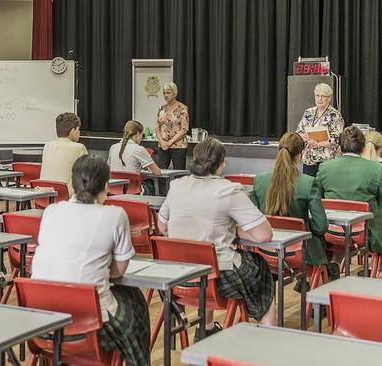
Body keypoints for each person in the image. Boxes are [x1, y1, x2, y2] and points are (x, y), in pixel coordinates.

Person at [32, 155, 149, 365]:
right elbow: (120, 270)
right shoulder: (115, 215)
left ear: (73, 183)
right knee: (136, 300)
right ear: (106, 185)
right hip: (90, 323)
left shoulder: (51, 211)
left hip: (43, 322)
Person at [157, 138, 276, 335]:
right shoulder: (228, 190)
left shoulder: (177, 186)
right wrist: (235, 230)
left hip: (178, 276)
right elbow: (264, 235)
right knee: (261, 268)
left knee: (206, 258)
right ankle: (270, 336)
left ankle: (207, 328)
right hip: (218, 278)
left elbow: (162, 226)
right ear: (222, 163)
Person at [251, 132, 332, 286]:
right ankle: (317, 301)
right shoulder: (307, 183)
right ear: (300, 155)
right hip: (300, 253)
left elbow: (254, 218)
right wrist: (307, 226)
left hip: (265, 250)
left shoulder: (259, 180)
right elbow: (321, 226)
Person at [316, 126, 382, 264]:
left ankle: (334, 263)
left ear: (340, 148)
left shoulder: (324, 168)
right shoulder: (377, 169)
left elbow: (317, 200)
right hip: (365, 234)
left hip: (331, 231)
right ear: (363, 148)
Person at [295, 83, 344, 177]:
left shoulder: (335, 115)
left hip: (327, 160)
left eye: (323, 96)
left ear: (329, 98)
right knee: (309, 187)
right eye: (317, 95)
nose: (319, 98)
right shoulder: (308, 112)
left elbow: (337, 140)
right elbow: (298, 132)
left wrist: (317, 144)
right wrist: (303, 136)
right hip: (309, 159)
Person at [40, 112, 88, 195]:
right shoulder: (79, 148)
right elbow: (88, 175)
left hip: (44, 197)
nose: (79, 132)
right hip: (67, 199)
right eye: (78, 129)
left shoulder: (47, 146)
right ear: (73, 131)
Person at [108, 120, 161, 195]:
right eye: (141, 135)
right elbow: (157, 172)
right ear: (137, 134)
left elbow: (109, 167)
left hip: (113, 190)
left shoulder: (113, 147)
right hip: (133, 191)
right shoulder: (139, 149)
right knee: (149, 183)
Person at [155, 82, 189, 170]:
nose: (166, 95)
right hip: (163, 146)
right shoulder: (161, 108)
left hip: (178, 146)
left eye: (168, 93)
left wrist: (171, 142)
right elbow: (157, 127)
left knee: (179, 175)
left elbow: (184, 129)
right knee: (161, 174)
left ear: (174, 93)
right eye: (164, 93)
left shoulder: (182, 108)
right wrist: (161, 141)